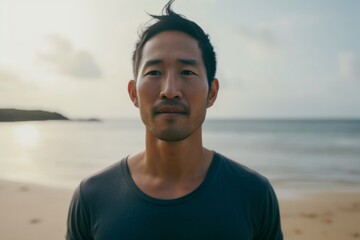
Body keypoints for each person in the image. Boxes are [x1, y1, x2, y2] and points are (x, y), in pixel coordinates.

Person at [66, 1, 283, 239]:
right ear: (133, 93)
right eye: (154, 72)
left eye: (187, 72)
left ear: (212, 92)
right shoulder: (92, 196)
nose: (170, 90)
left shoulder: (253, 194)